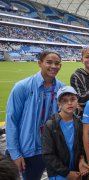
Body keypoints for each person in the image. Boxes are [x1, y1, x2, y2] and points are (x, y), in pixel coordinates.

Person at [6, 50, 64, 180]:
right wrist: (15, 154)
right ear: (40, 63)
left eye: (57, 63)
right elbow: (11, 121)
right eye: (49, 62)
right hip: (29, 151)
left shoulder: (62, 89)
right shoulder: (22, 87)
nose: (54, 66)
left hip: (52, 149)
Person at [42, 86, 89, 179]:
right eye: (64, 100)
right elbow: (48, 154)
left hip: (76, 172)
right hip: (58, 174)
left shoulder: (79, 123)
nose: (69, 103)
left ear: (77, 101)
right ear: (59, 103)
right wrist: (67, 173)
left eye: (72, 99)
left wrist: (81, 160)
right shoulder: (51, 125)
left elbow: (81, 146)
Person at [70, 47, 89, 116]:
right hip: (83, 117)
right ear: (82, 60)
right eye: (87, 57)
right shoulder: (76, 76)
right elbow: (82, 101)